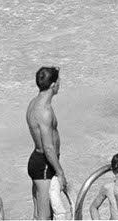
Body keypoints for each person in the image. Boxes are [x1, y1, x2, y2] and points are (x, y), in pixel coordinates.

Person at [26, 66, 66, 220]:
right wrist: (60, 173)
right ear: (53, 85)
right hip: (44, 164)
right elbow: (48, 148)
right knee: (44, 215)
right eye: (59, 81)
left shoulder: (33, 103)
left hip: (37, 160)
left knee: (37, 213)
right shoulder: (45, 111)